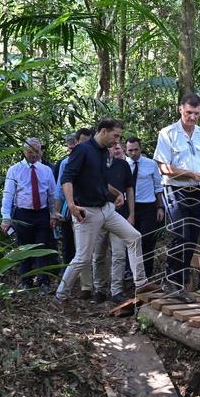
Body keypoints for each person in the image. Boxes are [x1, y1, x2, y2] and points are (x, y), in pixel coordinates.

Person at [54, 119, 148, 304]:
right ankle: (60, 296)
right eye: (116, 135)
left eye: (119, 137)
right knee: (82, 258)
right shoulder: (82, 150)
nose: (117, 140)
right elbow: (67, 178)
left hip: (107, 209)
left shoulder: (105, 153)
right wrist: (71, 205)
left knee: (134, 237)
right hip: (87, 212)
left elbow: (102, 181)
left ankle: (142, 283)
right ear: (104, 131)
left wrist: (117, 193)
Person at [153, 93, 200, 303]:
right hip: (176, 191)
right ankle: (171, 281)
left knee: (192, 237)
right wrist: (192, 174)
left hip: (198, 192)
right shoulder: (168, 133)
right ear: (180, 109)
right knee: (181, 234)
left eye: (196, 113)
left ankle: (179, 283)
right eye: (189, 112)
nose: (192, 117)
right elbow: (163, 167)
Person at [1, 138, 59, 289]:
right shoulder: (14, 170)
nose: (33, 154)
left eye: (36, 151)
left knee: (42, 247)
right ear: (24, 151)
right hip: (22, 214)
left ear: (40, 151)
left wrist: (53, 214)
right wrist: (6, 217)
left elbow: (52, 194)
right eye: (30, 151)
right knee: (24, 247)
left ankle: (43, 281)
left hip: (42, 213)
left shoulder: (46, 170)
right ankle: (26, 281)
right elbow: (8, 195)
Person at [90, 141, 136, 302]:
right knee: (98, 255)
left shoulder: (123, 165)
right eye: (110, 146)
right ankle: (99, 290)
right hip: (99, 215)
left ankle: (116, 291)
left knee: (118, 254)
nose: (112, 149)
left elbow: (129, 190)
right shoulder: (95, 165)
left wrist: (131, 214)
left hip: (119, 215)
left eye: (116, 146)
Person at [55, 128, 95, 298]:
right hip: (76, 210)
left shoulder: (97, 157)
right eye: (82, 142)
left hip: (97, 209)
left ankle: (96, 285)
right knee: (79, 251)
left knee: (95, 251)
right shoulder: (67, 162)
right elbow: (60, 189)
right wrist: (57, 212)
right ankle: (83, 286)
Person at [125, 136, 165, 283]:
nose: (133, 153)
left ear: (140, 149)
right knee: (130, 241)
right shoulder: (123, 165)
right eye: (130, 150)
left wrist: (160, 207)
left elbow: (158, 186)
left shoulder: (151, 164)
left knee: (148, 240)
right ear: (126, 150)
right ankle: (131, 274)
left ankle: (147, 275)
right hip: (129, 206)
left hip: (148, 206)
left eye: (136, 150)